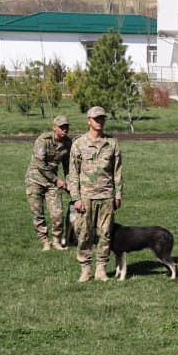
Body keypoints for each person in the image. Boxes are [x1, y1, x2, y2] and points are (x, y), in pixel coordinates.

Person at [67, 106, 122, 280]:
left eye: (102, 118)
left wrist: (118, 195)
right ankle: (85, 268)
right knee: (84, 233)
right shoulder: (79, 144)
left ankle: (101, 269)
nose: (100, 121)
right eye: (96, 118)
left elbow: (117, 172)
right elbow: (73, 173)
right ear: (88, 121)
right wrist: (75, 198)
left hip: (106, 196)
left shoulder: (112, 143)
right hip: (86, 197)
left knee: (105, 233)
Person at [25, 114, 72, 251]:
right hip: (35, 180)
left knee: (57, 213)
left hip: (52, 183)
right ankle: (45, 241)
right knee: (38, 213)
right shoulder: (43, 140)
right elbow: (41, 164)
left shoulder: (68, 143)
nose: (65, 130)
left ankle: (57, 240)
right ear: (54, 128)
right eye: (62, 127)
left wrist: (69, 182)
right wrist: (57, 180)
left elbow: (68, 166)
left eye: (67, 127)